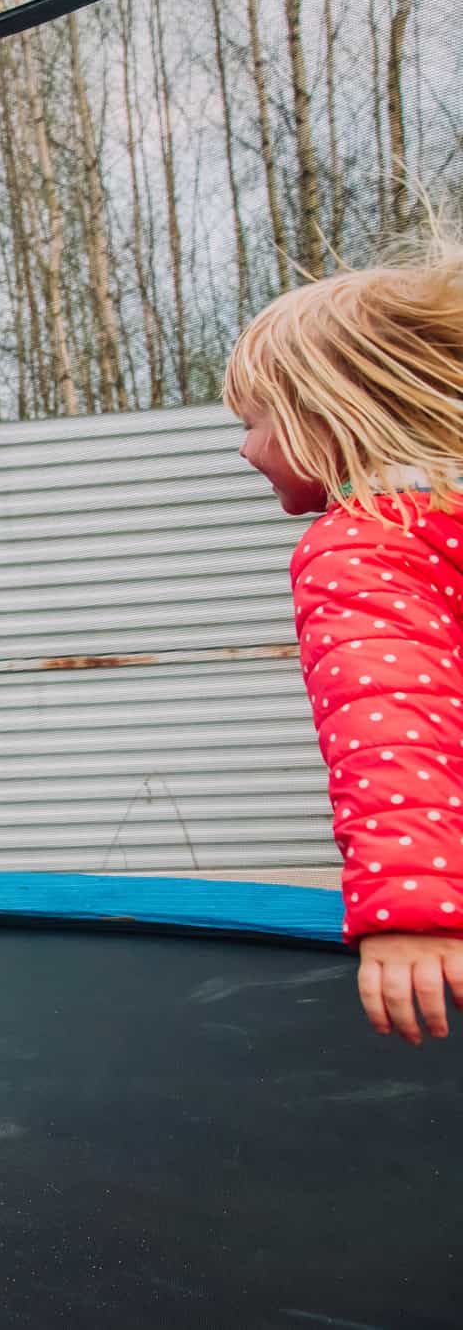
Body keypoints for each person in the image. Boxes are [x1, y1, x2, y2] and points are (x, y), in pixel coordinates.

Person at [226, 224, 463, 1050]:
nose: (245, 446)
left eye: (255, 420)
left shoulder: (364, 539)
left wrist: (415, 909)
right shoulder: (445, 521)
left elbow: (391, 716)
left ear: (329, 417)